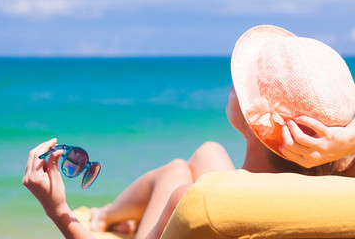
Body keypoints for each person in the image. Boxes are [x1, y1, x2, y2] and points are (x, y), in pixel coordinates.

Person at [23, 25, 355, 239]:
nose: (234, 84)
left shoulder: (199, 201)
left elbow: (193, 199)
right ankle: (107, 215)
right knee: (206, 152)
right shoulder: (340, 181)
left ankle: (99, 219)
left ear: (257, 125)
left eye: (245, 85)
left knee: (177, 174)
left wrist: (57, 210)